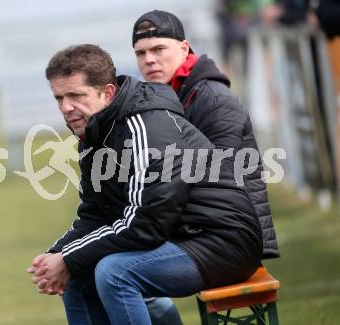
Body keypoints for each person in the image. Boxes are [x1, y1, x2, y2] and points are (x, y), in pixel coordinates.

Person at [28, 44, 263, 325]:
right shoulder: (94, 131)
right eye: (59, 98)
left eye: (76, 95)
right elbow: (95, 213)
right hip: (179, 238)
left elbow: (146, 223)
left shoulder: (146, 126)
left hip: (223, 242)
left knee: (114, 273)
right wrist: (57, 255)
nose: (66, 108)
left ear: (108, 93)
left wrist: (68, 258)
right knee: (79, 278)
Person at [132, 10, 280, 321]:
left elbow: (217, 182)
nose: (149, 60)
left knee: (118, 273)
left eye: (159, 49)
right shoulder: (170, 95)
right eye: (141, 53)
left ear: (184, 48)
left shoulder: (212, 98)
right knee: (111, 267)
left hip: (231, 237)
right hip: (203, 228)